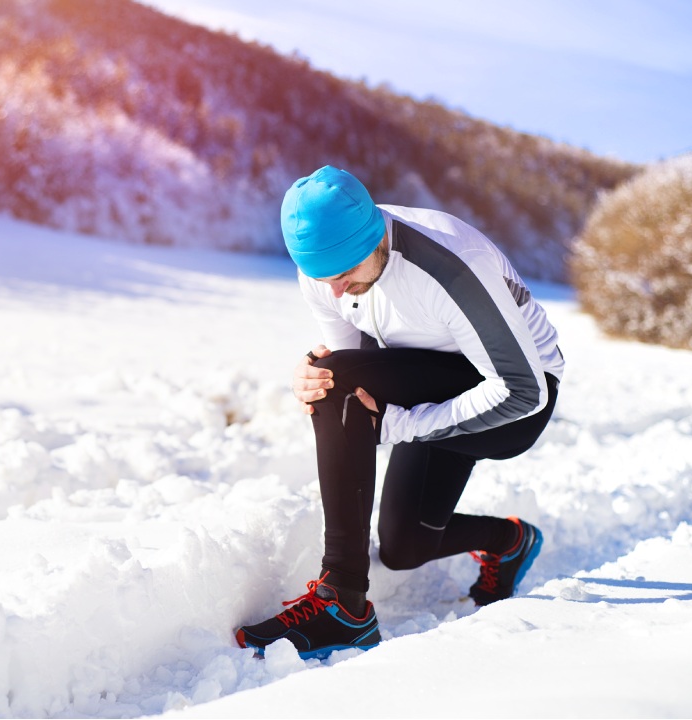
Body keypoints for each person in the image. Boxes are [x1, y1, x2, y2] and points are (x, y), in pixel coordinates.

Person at [235, 166, 564, 660]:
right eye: (323, 279)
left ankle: (343, 604)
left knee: (339, 383)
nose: (337, 293)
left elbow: (523, 391)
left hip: (517, 398)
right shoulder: (327, 275)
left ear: (375, 238)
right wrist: (315, 376)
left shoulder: (450, 267)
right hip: (438, 377)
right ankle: (509, 539)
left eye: (345, 275)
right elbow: (351, 366)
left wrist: (402, 424)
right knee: (403, 547)